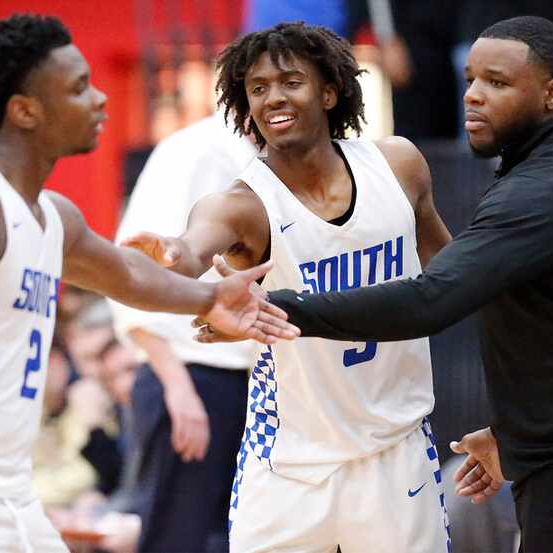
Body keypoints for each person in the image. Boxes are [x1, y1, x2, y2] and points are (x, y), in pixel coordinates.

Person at [213, 16, 553, 553]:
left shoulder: (544, 189)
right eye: (471, 80)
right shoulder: (540, 170)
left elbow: (431, 298)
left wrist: (277, 308)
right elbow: (538, 328)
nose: (474, 97)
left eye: (498, 84)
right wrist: (514, 431)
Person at [0, 14, 296, 553]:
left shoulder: (51, 215)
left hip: (9, 492)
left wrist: (209, 295)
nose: (101, 99)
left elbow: (128, 273)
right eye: (78, 88)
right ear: (25, 110)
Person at [122, 21, 453, 553]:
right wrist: (165, 255)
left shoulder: (398, 166)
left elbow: (453, 274)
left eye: (290, 81)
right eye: (257, 88)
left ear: (330, 90)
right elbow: (189, 250)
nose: (273, 97)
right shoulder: (241, 204)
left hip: (395, 449)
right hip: (289, 460)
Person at [109, 114, 257, 553]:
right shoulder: (195, 150)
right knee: (179, 537)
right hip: (193, 376)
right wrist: (178, 386)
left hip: (248, 379)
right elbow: (132, 271)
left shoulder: (276, 156)